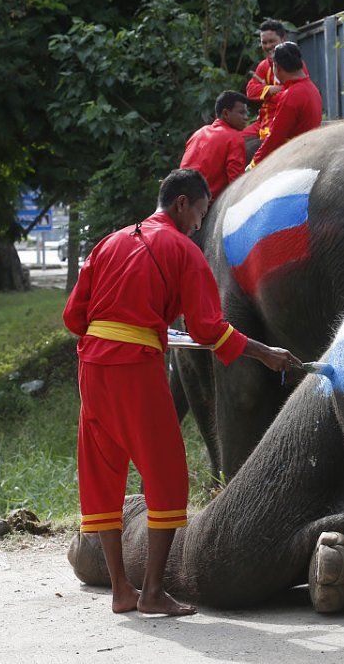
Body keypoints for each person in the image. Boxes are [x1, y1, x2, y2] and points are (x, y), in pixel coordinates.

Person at [63, 169, 298, 616]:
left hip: (92, 366)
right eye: (201, 213)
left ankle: (120, 590)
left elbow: (75, 317)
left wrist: (133, 323)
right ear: (182, 204)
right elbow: (208, 328)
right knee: (167, 475)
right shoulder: (183, 251)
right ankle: (151, 592)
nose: (199, 224)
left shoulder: (109, 242)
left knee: (103, 470)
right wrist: (265, 352)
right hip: (135, 368)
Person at [250, 41, 322, 167]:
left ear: (277, 67)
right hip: (309, 151)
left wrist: (253, 165)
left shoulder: (291, 95)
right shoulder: (312, 88)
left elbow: (275, 138)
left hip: (294, 159)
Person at [180, 90, 248, 200]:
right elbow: (236, 183)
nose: (246, 117)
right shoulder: (234, 138)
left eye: (246, 113)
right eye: (241, 112)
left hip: (181, 199)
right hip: (204, 205)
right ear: (226, 113)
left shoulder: (198, 133)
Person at [242, 19, 287, 140]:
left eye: (272, 41)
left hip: (283, 121)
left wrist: (265, 91)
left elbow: (294, 94)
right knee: (236, 139)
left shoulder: (293, 63)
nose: (268, 46)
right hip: (263, 121)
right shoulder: (263, 65)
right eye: (264, 42)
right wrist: (271, 89)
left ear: (283, 40)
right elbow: (250, 91)